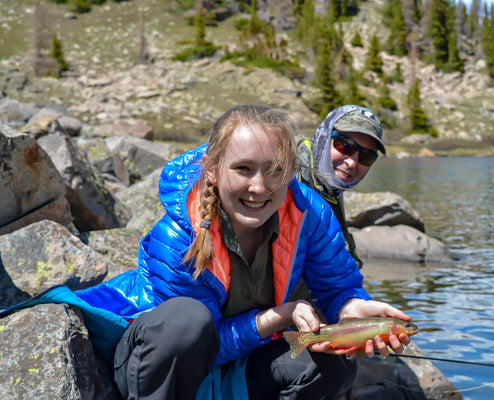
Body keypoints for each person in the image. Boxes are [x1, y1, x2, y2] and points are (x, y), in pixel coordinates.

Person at [75, 105, 411, 400]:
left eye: (275, 169)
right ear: (212, 169)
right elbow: (203, 347)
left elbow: (338, 286)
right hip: (160, 368)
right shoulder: (178, 236)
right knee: (185, 322)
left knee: (333, 364)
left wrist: (353, 306)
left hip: (239, 363)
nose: (259, 187)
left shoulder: (311, 214)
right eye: (243, 169)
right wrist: (278, 317)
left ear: (292, 169)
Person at [297, 105, 386, 269]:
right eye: (345, 146)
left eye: (366, 156)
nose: (351, 162)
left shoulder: (330, 188)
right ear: (324, 137)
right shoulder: (287, 175)